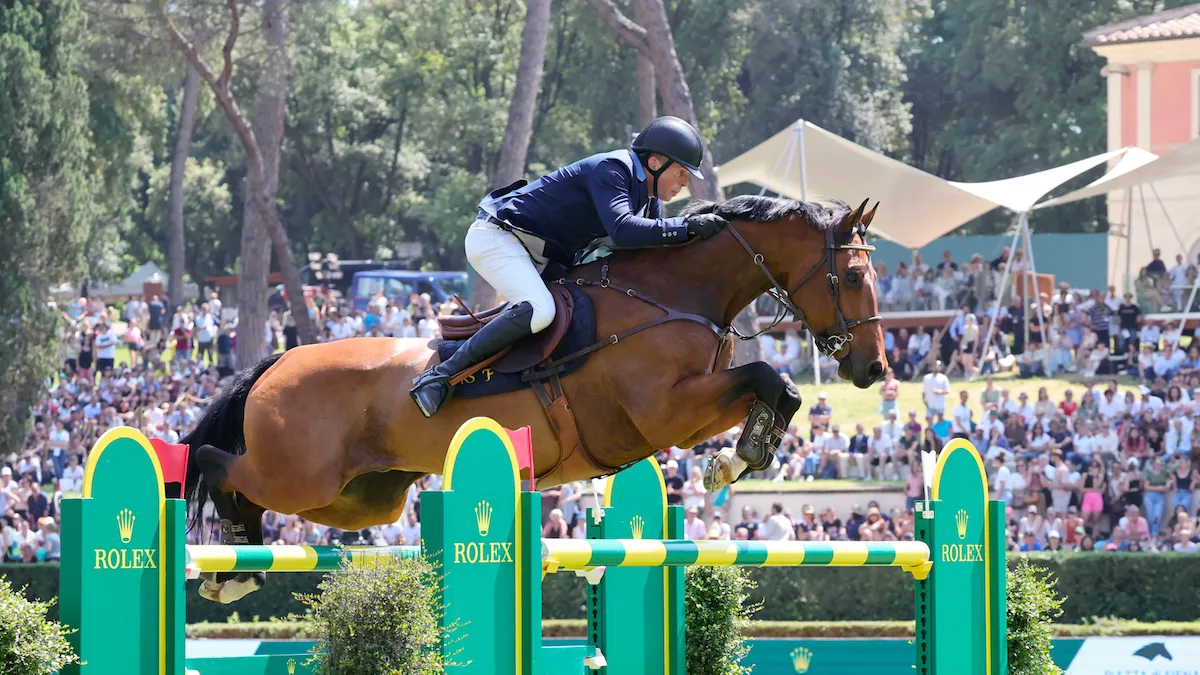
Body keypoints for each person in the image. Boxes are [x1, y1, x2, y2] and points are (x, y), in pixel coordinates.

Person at [409, 116, 728, 417]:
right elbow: (623, 230)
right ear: (655, 162)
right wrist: (687, 227)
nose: (685, 183)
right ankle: (439, 378)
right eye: (682, 172)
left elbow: (649, 252)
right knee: (540, 310)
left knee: (584, 315)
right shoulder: (613, 169)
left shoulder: (647, 199)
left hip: (542, 256)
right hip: (499, 237)